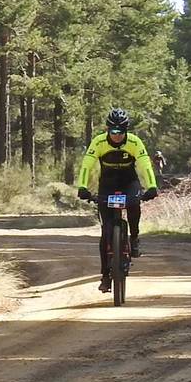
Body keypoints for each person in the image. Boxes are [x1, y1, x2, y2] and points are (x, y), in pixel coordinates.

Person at [77, 108, 158, 293]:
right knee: (106, 233)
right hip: (107, 184)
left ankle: (135, 237)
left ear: (126, 131)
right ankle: (105, 276)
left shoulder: (134, 142)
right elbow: (86, 166)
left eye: (120, 132)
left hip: (129, 182)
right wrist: (82, 187)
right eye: (113, 132)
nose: (116, 136)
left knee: (134, 204)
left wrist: (152, 186)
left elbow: (145, 166)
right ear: (107, 130)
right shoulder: (98, 142)